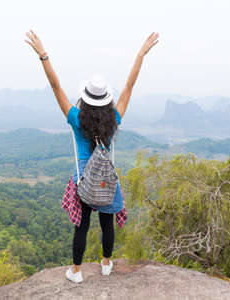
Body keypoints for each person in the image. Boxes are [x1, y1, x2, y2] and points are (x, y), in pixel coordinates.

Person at [24, 29, 159, 283]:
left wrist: (43, 55)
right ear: (106, 99)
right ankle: (106, 263)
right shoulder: (114, 119)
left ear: (85, 98)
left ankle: (76, 271)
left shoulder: (76, 119)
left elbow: (55, 86)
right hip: (106, 179)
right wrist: (141, 54)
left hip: (83, 180)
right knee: (106, 223)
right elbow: (129, 87)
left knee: (82, 226)